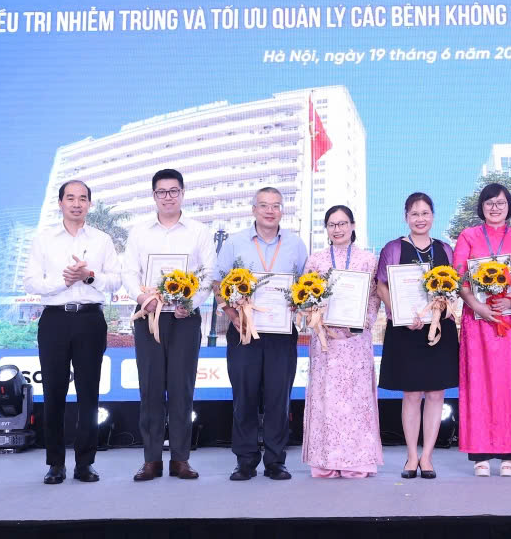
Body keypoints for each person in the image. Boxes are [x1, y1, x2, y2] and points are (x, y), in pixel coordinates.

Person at [23, 179, 122, 484]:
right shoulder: (44, 240)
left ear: (89, 204)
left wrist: (89, 276)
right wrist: (64, 281)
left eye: (82, 198)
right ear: (60, 203)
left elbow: (115, 280)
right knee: (54, 392)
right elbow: (30, 282)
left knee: (89, 393)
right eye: (70, 198)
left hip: (90, 320)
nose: (76, 204)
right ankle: (55, 463)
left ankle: (85, 463)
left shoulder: (102, 240)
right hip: (54, 320)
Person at [122, 168, 214, 482]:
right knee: (150, 389)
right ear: (154, 196)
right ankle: (151, 460)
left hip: (184, 319)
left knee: (181, 389)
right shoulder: (139, 232)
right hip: (148, 317)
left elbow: (208, 273)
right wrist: (141, 298)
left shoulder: (199, 231)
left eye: (174, 191)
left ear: (183, 193)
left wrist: (191, 303)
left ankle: (180, 459)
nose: (168, 197)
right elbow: (129, 272)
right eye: (161, 192)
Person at [212, 186, 308, 481]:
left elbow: (304, 286)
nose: (270, 211)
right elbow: (217, 283)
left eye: (275, 205)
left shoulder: (295, 244)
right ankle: (245, 461)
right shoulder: (235, 243)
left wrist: (299, 304)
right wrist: (233, 316)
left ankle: (276, 461)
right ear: (253, 209)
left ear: (282, 210)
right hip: (243, 331)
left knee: (279, 398)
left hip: (282, 333)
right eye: (264, 205)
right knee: (245, 397)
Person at [454, 182, 511, 477]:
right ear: (482, 206)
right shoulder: (468, 236)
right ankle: (480, 454)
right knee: (478, 382)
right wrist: (477, 306)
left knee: (510, 385)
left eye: (500, 202)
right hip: (477, 322)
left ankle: (510, 454)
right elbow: (460, 278)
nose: (495, 208)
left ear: (509, 206)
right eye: (489, 202)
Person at [375, 192, 458, 479]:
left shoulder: (445, 249)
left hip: (439, 330)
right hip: (406, 330)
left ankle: (428, 457)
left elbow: (454, 288)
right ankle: (411, 456)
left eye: (425, 213)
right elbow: (381, 286)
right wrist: (398, 313)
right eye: (414, 214)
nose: (420, 219)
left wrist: (441, 309)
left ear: (433, 216)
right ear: (406, 217)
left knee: (436, 394)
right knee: (410, 394)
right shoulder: (393, 248)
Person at [301, 205, 383, 478]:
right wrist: (317, 318)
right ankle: (325, 461)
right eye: (332, 224)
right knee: (326, 398)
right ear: (326, 229)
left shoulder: (368, 260)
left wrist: (363, 322)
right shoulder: (315, 260)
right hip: (325, 341)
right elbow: (304, 296)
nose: (337, 229)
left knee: (356, 399)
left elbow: (374, 296)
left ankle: (357, 462)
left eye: (343, 223)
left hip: (356, 341)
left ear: (353, 225)